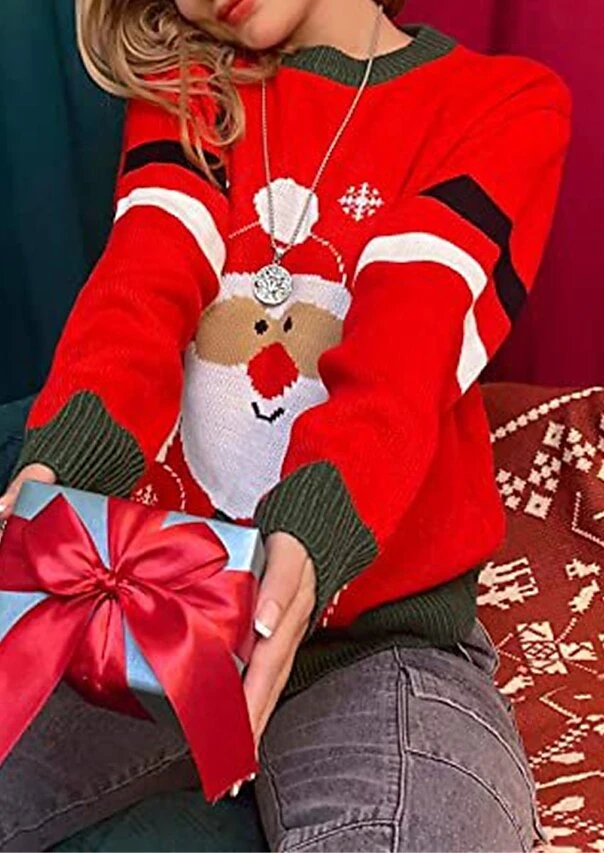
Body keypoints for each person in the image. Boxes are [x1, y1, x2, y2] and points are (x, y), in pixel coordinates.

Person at [0, 0, 571, 849]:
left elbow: (407, 349)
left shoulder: (503, 101)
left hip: (378, 648)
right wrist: (55, 472)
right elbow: (140, 291)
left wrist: (307, 539)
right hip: (162, 619)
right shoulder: (190, 92)